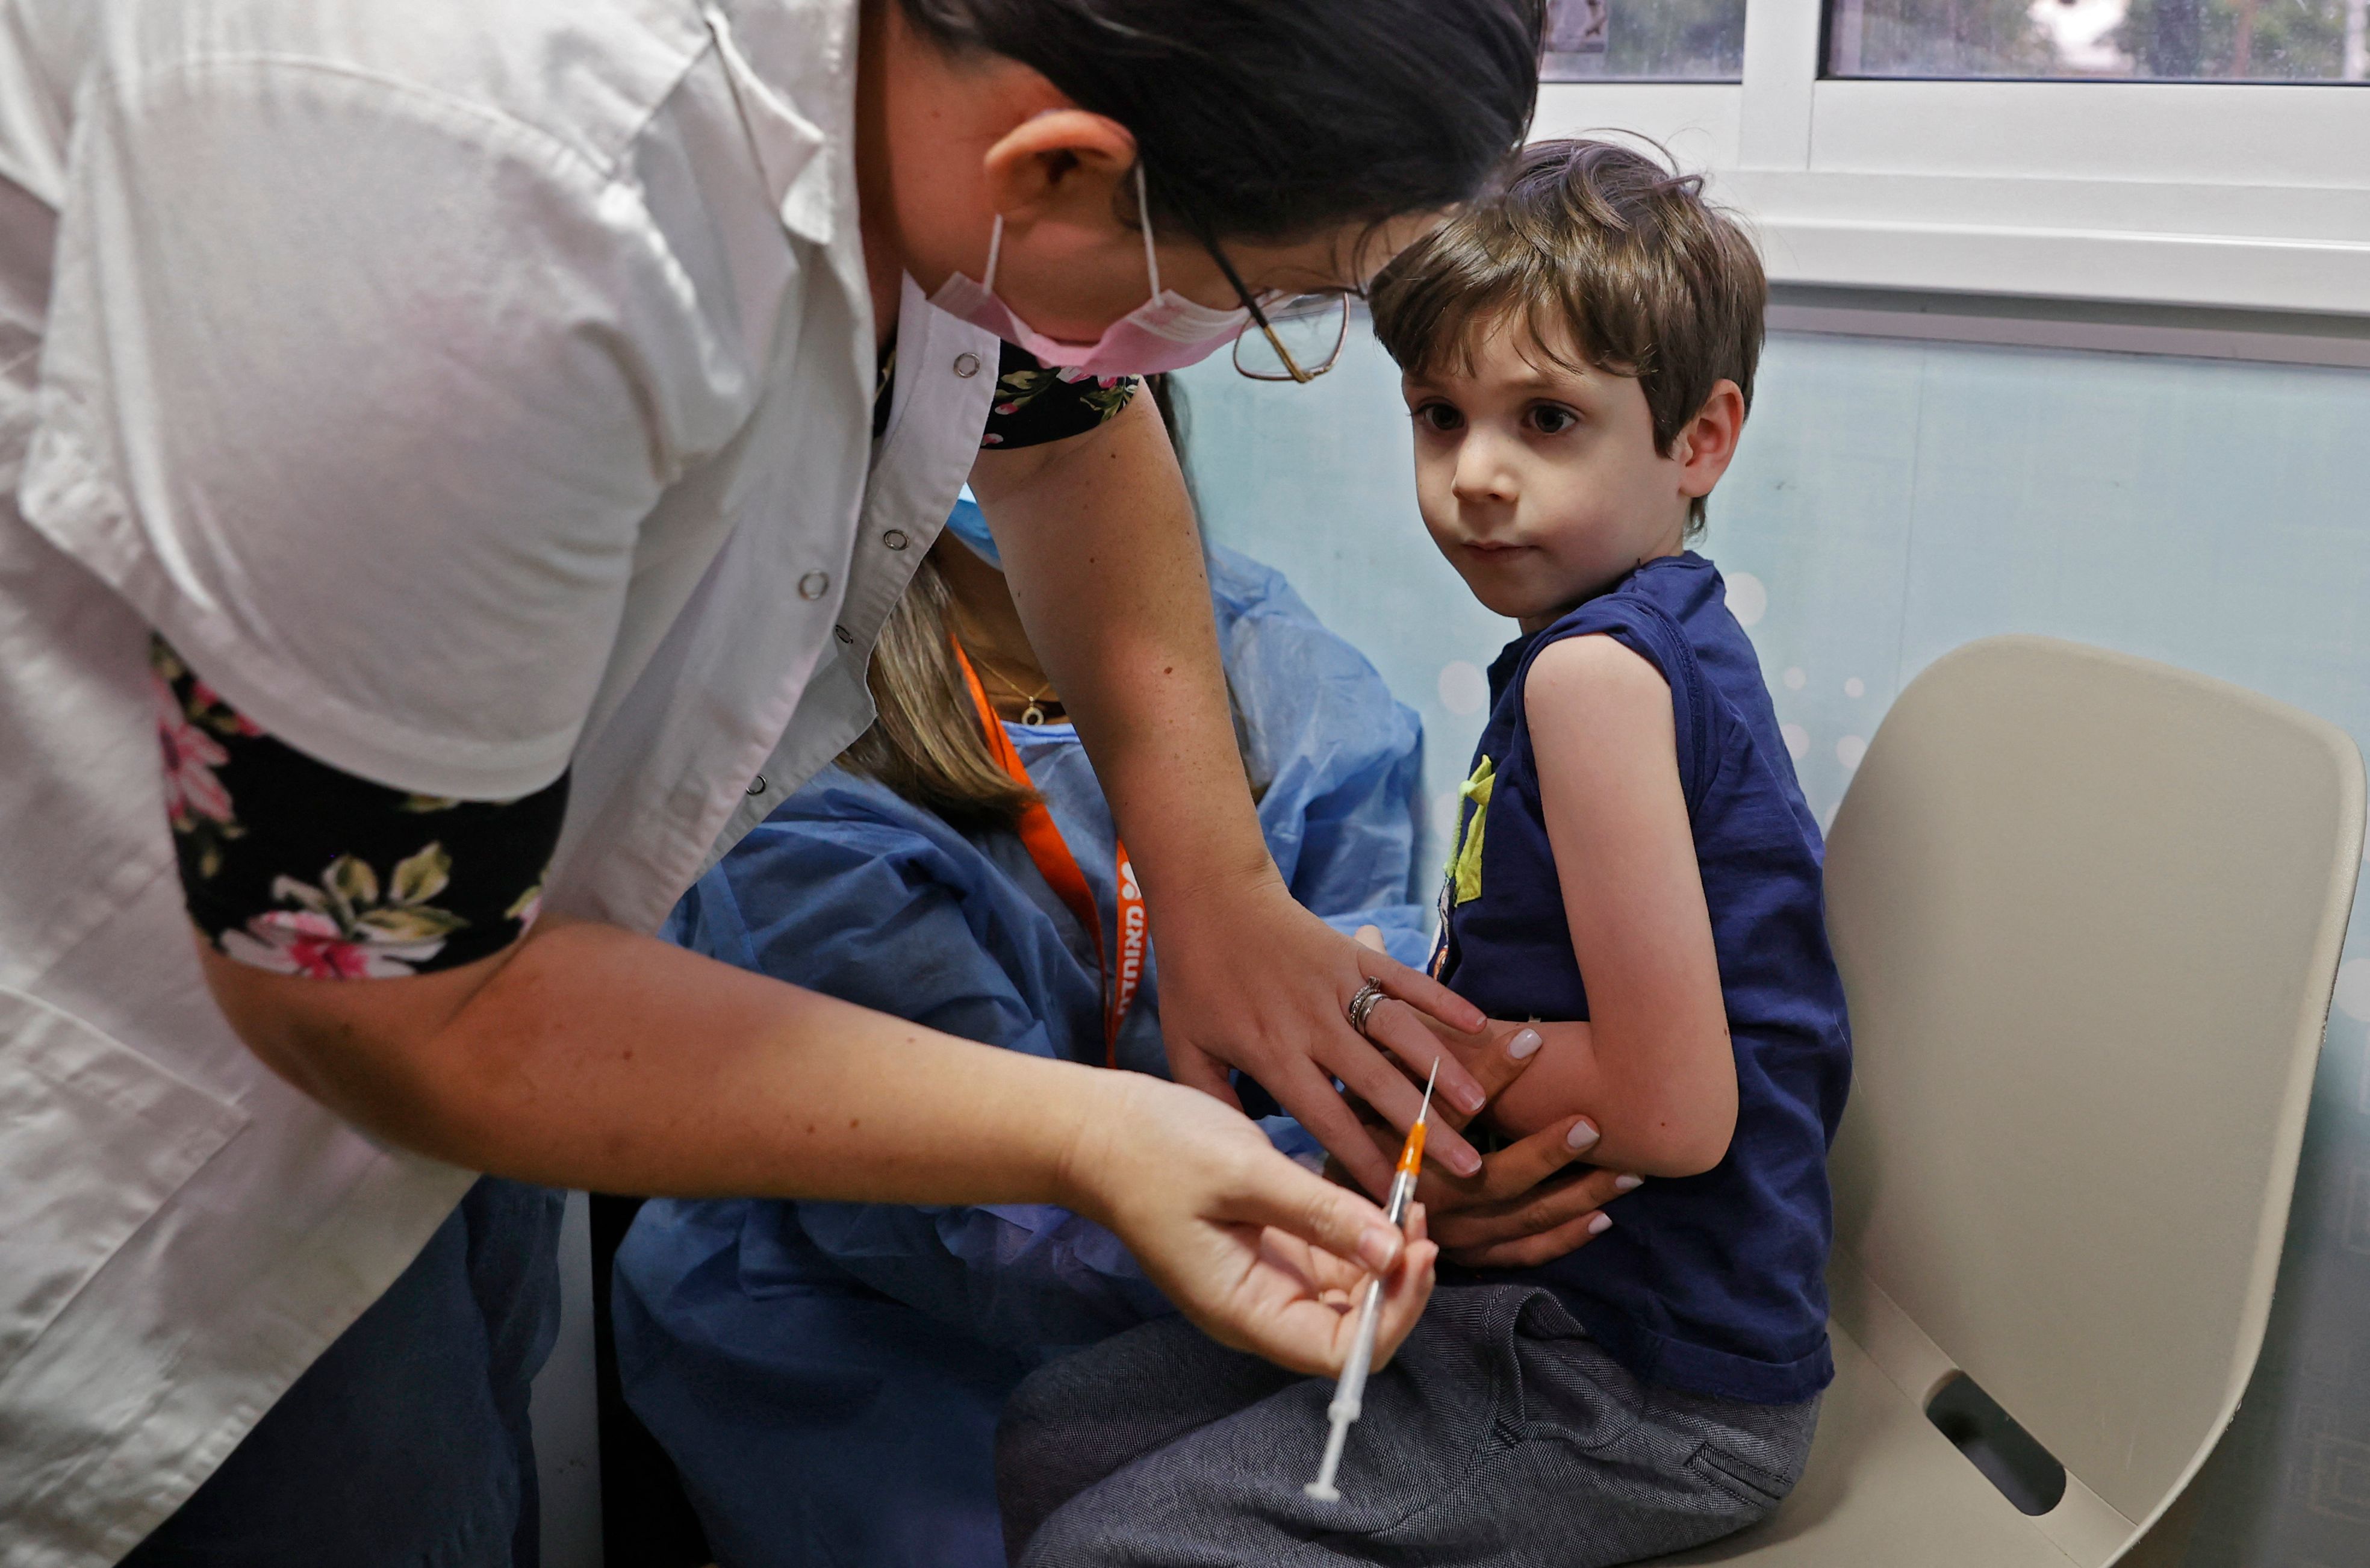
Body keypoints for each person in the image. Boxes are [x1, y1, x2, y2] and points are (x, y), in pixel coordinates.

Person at [0, 4, 1552, 1562]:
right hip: (162, 1091)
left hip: (466, 1002)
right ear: (1066, 164)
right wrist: (1098, 1138)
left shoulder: (957, 115)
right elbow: (388, 1002)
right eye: (1267, 302)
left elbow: (1064, 417)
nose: (1235, 343)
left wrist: (1218, 891)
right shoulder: (497, 193)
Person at [995, 139, 1854, 1567]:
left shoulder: (1597, 682)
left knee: (1110, 1539)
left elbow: (1672, 1103)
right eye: (1439, 417)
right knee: (1058, 1427)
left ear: (1699, 438)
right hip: (1544, 1300)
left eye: (1548, 421)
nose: (1478, 477)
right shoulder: (1622, 644)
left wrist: (1380, 1041)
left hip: (1643, 1381)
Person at [611, 381, 1640, 1567]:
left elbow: (1378, 1029)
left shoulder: (1284, 674)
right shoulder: (794, 760)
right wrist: (1347, 1204)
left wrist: (1414, 1168)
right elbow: (947, 1222)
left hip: (1263, 1288)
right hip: (867, 1334)